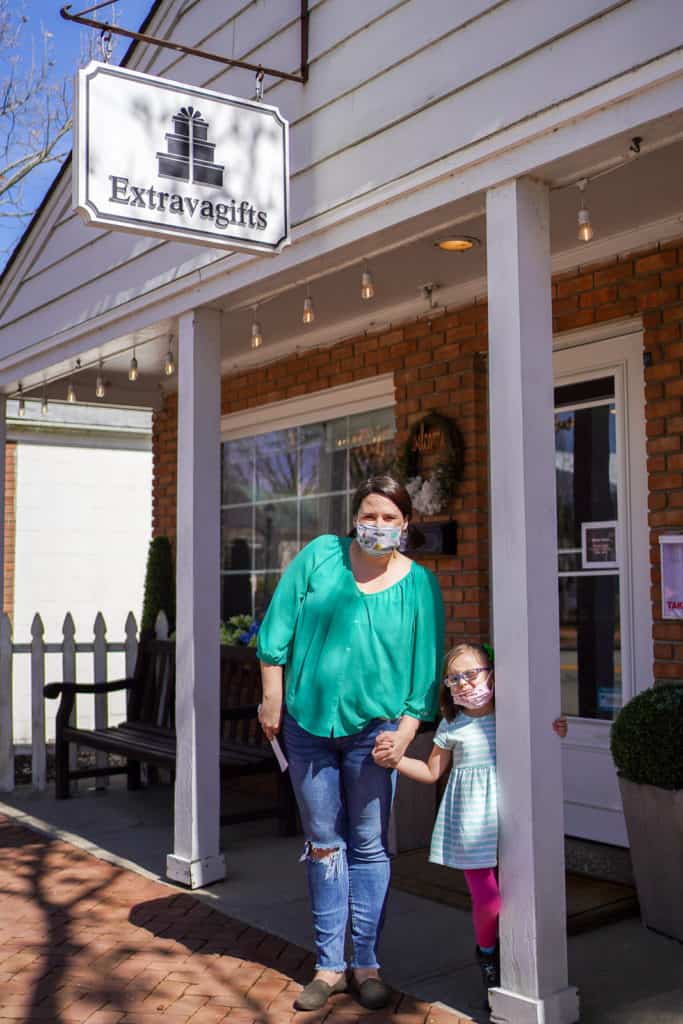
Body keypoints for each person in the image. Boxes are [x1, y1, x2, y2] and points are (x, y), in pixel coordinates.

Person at [257, 474, 444, 1012]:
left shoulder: (419, 585)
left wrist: (404, 736)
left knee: (367, 844)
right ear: (354, 515)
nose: (377, 525)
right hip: (307, 727)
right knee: (323, 843)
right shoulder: (320, 557)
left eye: (390, 518)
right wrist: (272, 696)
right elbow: (277, 631)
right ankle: (328, 965)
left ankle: (366, 963)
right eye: (370, 514)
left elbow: (425, 673)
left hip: (375, 736)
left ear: (405, 525)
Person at [384, 641, 567, 1007]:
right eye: (455, 679)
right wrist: (396, 760)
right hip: (470, 820)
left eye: (471, 674)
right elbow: (432, 770)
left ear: (492, 675)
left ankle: (516, 964)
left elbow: (544, 739)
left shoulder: (512, 717)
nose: (465, 684)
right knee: (490, 900)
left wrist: (556, 731)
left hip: (512, 818)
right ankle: (488, 956)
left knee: (520, 894)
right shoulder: (452, 725)